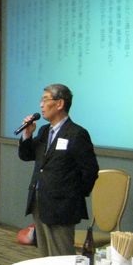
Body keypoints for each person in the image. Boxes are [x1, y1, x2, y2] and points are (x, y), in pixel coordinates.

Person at [19, 83, 99, 256]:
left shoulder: (76, 133)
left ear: (60, 103)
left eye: (45, 100)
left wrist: (72, 196)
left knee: (61, 256)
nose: (41, 105)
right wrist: (27, 135)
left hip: (62, 206)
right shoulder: (44, 131)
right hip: (40, 201)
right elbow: (27, 155)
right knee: (44, 256)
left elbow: (90, 170)